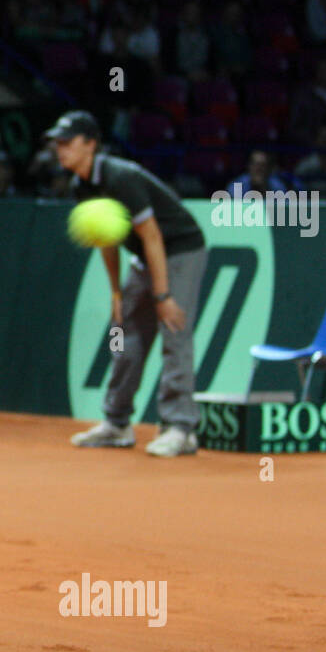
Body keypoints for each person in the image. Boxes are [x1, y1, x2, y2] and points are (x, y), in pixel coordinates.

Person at [48, 110, 208, 457]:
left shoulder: (121, 177)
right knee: (126, 333)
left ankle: (181, 428)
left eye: (67, 142)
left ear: (91, 145)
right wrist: (117, 291)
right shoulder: (81, 186)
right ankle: (117, 423)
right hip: (143, 256)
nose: (59, 149)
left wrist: (163, 294)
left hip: (179, 248)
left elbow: (151, 235)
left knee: (173, 329)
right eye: (56, 143)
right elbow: (107, 238)